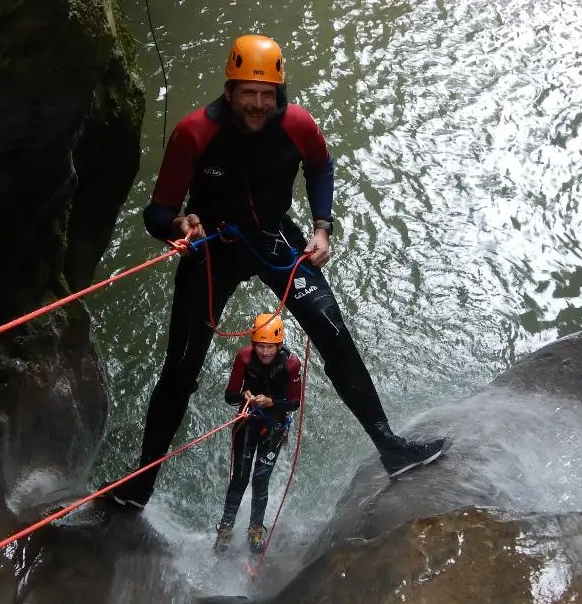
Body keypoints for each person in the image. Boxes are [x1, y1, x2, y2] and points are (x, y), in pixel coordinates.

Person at [106, 33, 446, 511]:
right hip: (213, 250)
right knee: (180, 369)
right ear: (229, 90)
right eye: (248, 93)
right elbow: (157, 212)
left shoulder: (297, 125)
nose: (258, 104)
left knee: (334, 333)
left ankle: (391, 448)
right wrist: (179, 226)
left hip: (273, 238)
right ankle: (139, 487)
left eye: (267, 94)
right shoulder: (194, 133)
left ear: (279, 93)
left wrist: (322, 227)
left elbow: (321, 167)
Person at [214, 313, 301, 554]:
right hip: (248, 422)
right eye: (260, 346)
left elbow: (294, 402)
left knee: (260, 480)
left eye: (270, 347)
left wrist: (272, 402)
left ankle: (255, 530)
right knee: (240, 477)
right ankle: (226, 529)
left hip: (274, 426)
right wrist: (244, 395)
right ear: (253, 344)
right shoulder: (244, 358)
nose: (264, 352)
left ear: (279, 345)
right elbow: (230, 396)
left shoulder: (291, 364)